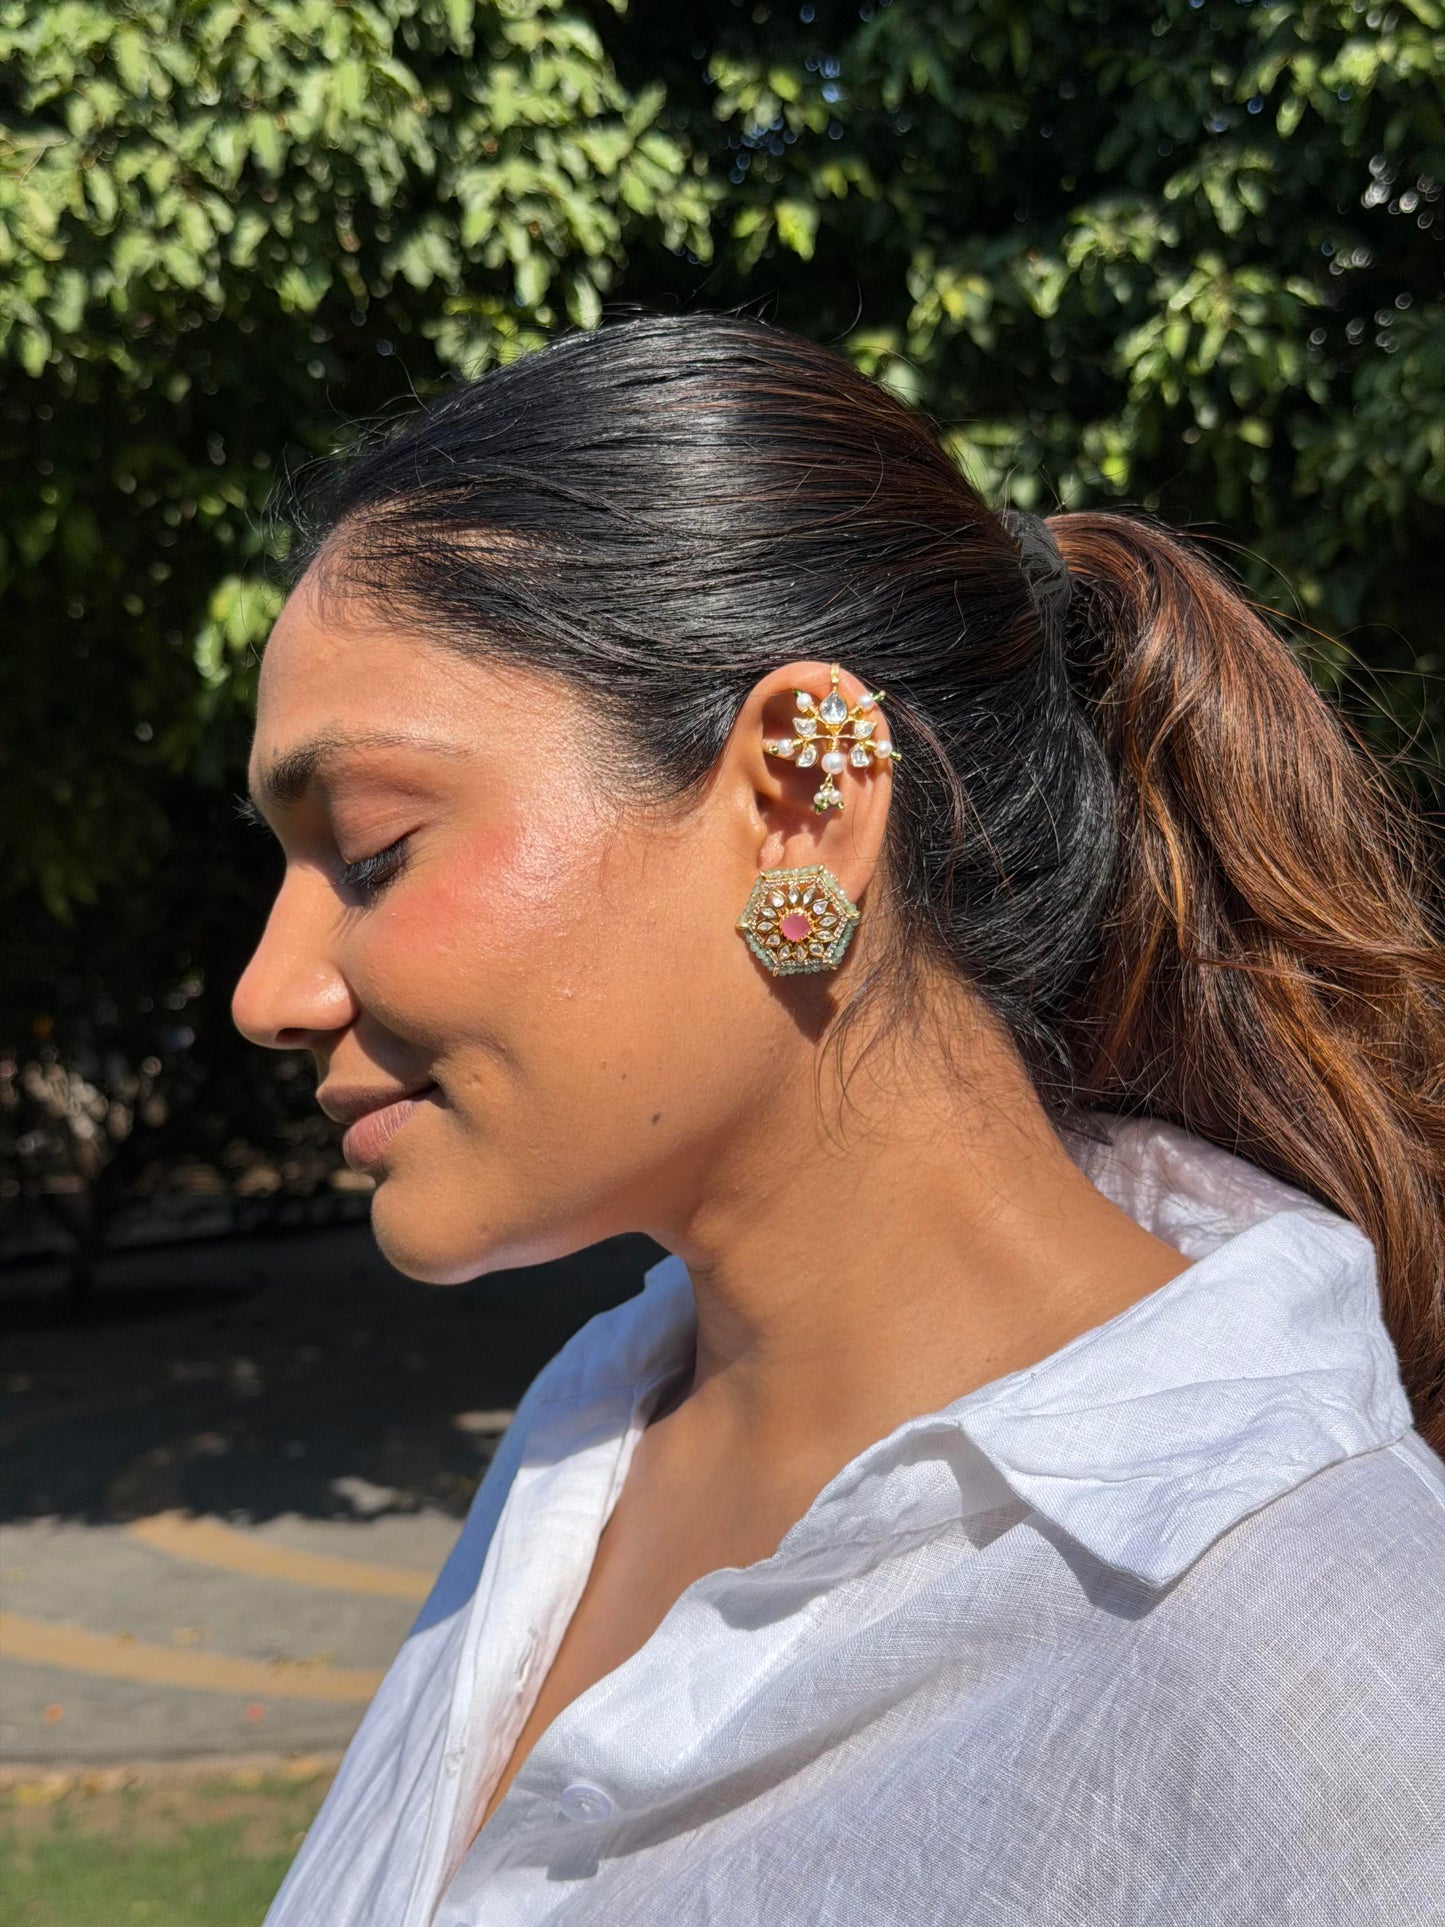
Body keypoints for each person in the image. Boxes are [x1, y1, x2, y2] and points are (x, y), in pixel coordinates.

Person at [232, 311, 1444, 1925]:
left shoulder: (1322, 1658)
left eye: (373, 849)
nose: (269, 990)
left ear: (800, 802)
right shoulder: (583, 1437)